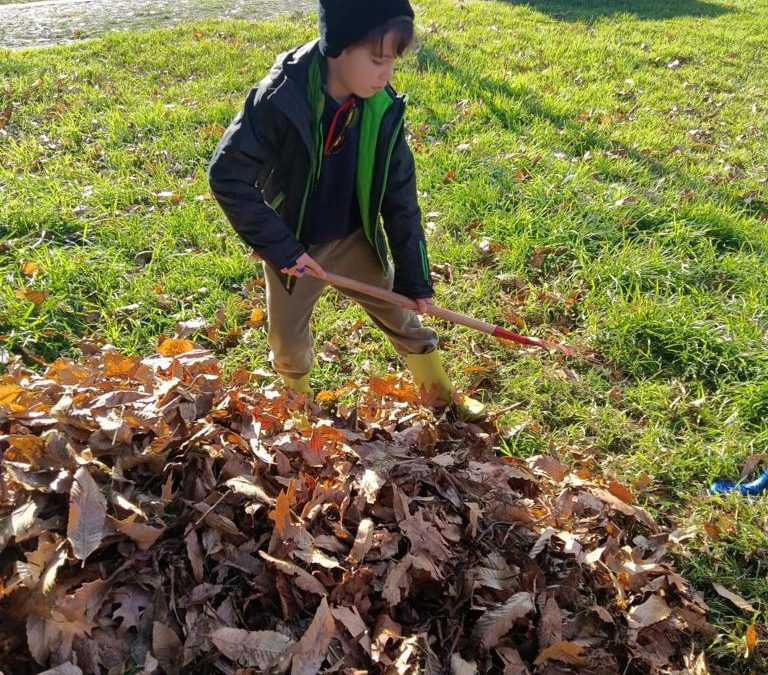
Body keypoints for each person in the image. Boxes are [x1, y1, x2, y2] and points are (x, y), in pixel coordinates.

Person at [207, 0, 485, 421]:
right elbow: (227, 173)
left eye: (393, 60)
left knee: (402, 315)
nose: (386, 73)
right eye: (377, 59)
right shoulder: (281, 97)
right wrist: (282, 249)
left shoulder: (380, 106)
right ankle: (300, 407)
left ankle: (441, 394)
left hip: (354, 237)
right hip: (297, 247)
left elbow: (400, 197)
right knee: (287, 340)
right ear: (338, 45)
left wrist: (414, 277)